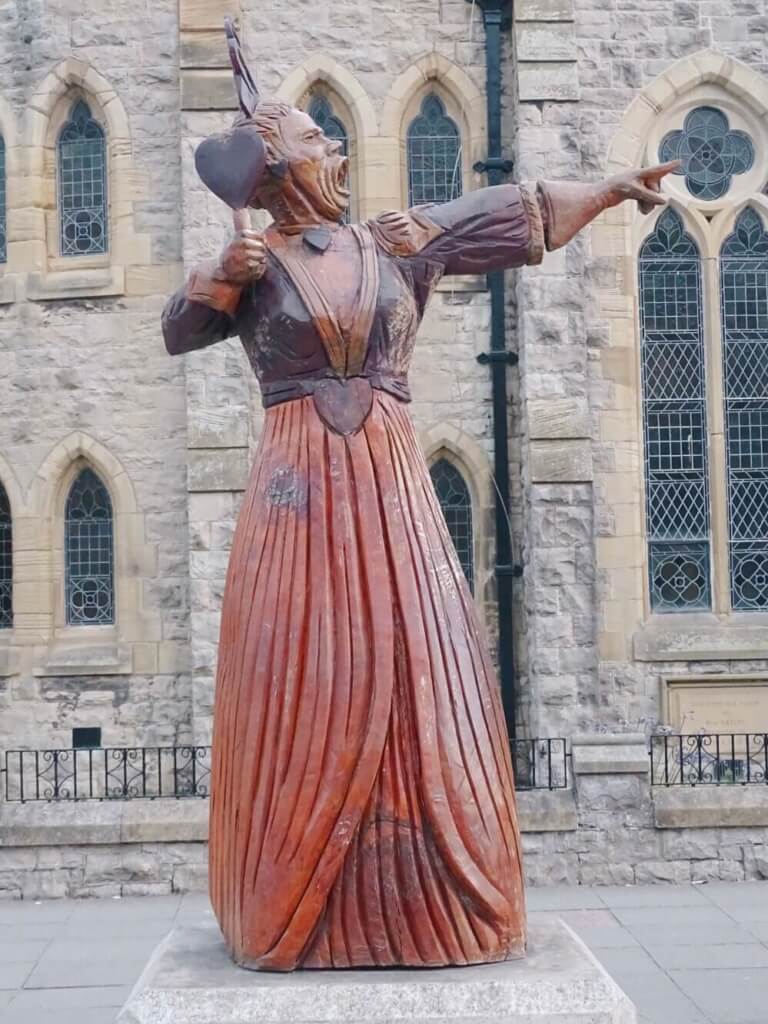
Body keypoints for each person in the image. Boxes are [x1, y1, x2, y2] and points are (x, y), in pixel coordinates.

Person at [163, 94, 676, 970]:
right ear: (276, 168)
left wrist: (609, 188)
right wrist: (220, 274)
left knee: (426, 654)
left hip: (391, 484)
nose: (335, 147)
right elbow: (179, 331)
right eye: (315, 138)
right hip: (296, 495)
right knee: (301, 661)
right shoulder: (254, 262)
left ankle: (437, 903)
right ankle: (290, 900)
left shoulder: (393, 242)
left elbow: (512, 215)